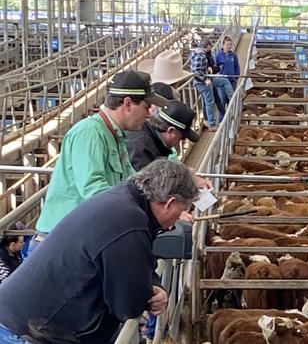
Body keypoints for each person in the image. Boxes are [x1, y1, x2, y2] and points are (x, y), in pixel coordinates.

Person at [0, 159, 199, 344]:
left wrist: (153, 285)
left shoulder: (122, 199)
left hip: (25, 319)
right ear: (170, 203)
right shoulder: (129, 223)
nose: (178, 219)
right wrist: (149, 293)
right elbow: (128, 304)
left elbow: (135, 265)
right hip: (31, 331)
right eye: (184, 208)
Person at [30, 71, 168, 252]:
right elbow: (93, 188)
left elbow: (133, 181)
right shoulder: (90, 132)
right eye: (146, 106)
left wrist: (164, 200)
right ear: (127, 104)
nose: (149, 114)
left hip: (77, 238)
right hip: (60, 244)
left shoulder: (114, 135)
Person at [126, 83, 200, 171]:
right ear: (171, 130)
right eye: (182, 136)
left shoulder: (150, 136)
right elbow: (147, 182)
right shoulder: (142, 148)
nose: (183, 140)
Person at [190, 38, 233, 129]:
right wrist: (205, 79)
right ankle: (212, 124)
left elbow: (200, 69)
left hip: (204, 80)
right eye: (210, 46)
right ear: (208, 46)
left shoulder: (199, 54)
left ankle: (208, 120)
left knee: (210, 99)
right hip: (203, 82)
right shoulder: (200, 55)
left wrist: (208, 69)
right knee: (210, 102)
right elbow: (195, 71)